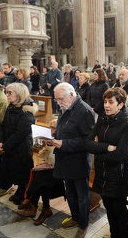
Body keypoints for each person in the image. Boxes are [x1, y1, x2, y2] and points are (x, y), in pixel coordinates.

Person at [85, 88, 128, 238]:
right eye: (105, 102)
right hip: (102, 174)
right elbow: (87, 143)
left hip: (119, 175)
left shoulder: (127, 125)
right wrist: (106, 147)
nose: (106, 105)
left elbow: (119, 155)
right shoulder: (102, 119)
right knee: (109, 209)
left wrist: (98, 151)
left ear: (120, 105)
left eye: (111, 102)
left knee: (119, 210)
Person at [52, 83, 95, 238]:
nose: (58, 102)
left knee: (82, 197)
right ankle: (75, 217)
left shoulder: (84, 111)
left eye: (60, 99)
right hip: (64, 159)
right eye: (56, 99)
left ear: (71, 94)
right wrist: (56, 134)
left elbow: (87, 141)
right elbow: (67, 128)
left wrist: (64, 143)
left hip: (78, 161)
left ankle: (83, 223)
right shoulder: (66, 106)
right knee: (69, 193)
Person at [16, 119, 65, 226]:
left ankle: (33, 204)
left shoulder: (62, 137)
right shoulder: (52, 137)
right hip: (50, 166)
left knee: (40, 180)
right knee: (41, 181)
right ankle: (44, 209)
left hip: (60, 168)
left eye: (54, 128)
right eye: (51, 128)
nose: (52, 130)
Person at [0, 83, 38, 200]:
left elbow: (20, 134)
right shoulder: (10, 107)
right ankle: (20, 191)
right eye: (6, 92)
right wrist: (0, 141)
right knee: (14, 172)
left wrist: (5, 145)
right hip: (10, 147)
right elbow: (3, 126)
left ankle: (26, 196)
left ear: (19, 95)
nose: (7, 95)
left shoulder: (27, 111)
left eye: (10, 93)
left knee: (23, 174)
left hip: (22, 149)